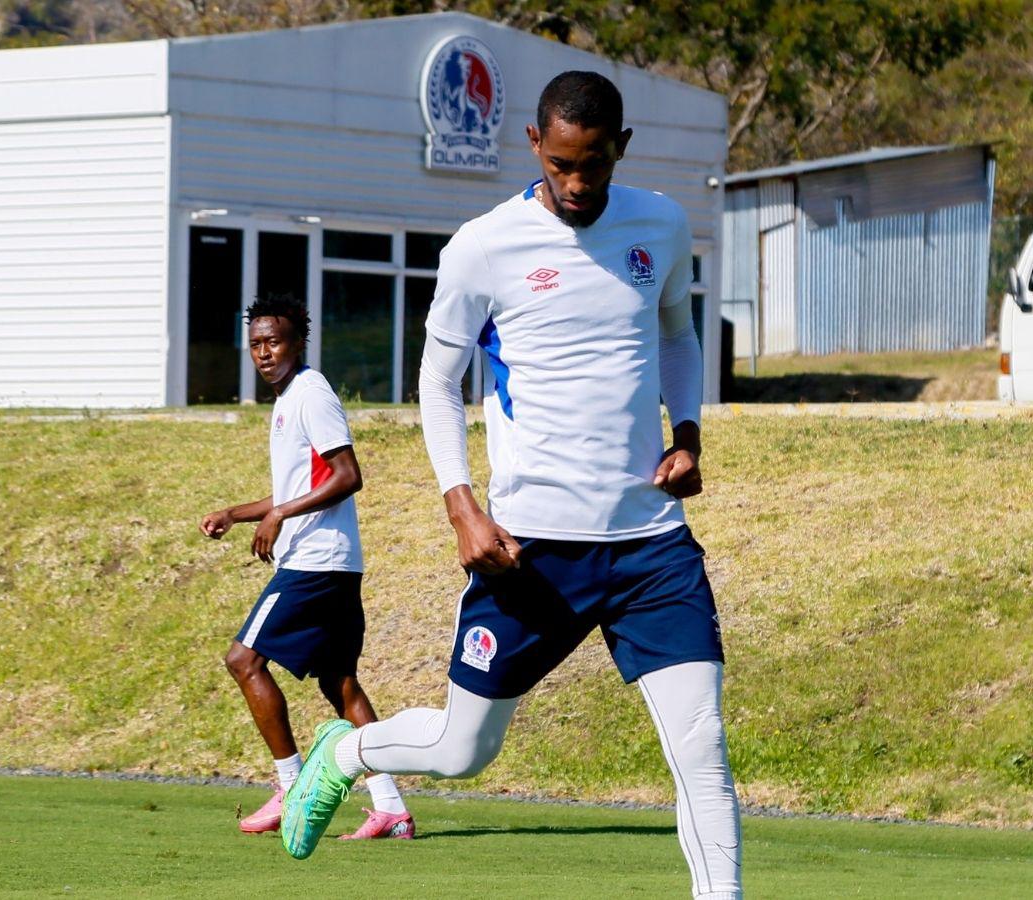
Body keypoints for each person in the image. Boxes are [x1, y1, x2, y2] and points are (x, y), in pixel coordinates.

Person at [281, 72, 742, 898]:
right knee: (465, 751)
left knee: (702, 754)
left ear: (620, 150)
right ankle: (347, 751)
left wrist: (690, 434)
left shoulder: (662, 226)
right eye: (562, 164)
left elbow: (678, 334)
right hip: (530, 550)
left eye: (593, 165)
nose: (577, 184)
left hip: (651, 548)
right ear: (535, 145)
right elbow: (436, 379)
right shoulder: (483, 246)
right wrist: (461, 504)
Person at [200, 294, 413, 841]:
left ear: (299, 343)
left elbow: (347, 475)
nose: (264, 352)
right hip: (336, 564)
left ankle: (291, 784)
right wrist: (237, 513)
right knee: (341, 685)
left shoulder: (311, 393)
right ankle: (390, 809)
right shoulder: (290, 398)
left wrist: (278, 514)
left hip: (315, 564)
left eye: (274, 342)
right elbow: (298, 487)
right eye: (256, 344)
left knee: (243, 659)